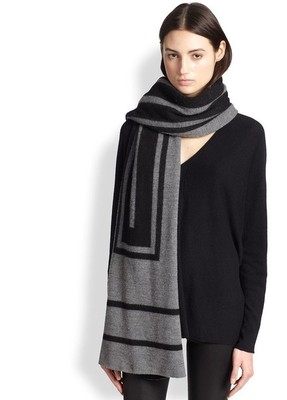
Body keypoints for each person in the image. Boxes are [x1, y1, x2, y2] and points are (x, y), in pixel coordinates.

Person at [98, 3, 268, 399]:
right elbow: (118, 233)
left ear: (219, 51)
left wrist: (248, 339)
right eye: (172, 55)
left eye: (196, 55)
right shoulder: (136, 130)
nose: (183, 68)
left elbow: (253, 245)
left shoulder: (246, 135)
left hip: (218, 305)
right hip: (141, 311)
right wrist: (114, 333)